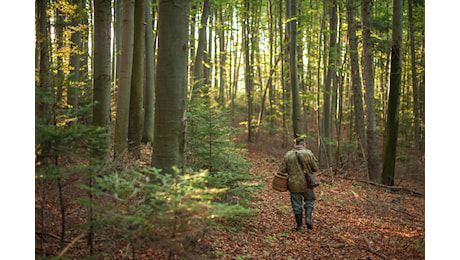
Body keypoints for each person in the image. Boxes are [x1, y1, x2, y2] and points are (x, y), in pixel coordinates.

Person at [279, 137, 319, 231]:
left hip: (293, 184)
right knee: (310, 200)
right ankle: (308, 219)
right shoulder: (309, 153)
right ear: (304, 145)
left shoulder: (288, 154)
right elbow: (315, 168)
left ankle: (299, 225)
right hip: (307, 183)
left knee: (296, 204)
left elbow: (282, 169)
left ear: (295, 145)